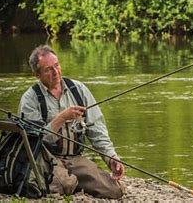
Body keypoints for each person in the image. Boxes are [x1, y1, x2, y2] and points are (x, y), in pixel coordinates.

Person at [18, 45, 124, 198]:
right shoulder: (30, 99)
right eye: (48, 69)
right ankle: (66, 181)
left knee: (114, 190)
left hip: (75, 158)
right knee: (63, 185)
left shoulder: (79, 89)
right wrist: (61, 118)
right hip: (46, 159)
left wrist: (111, 158)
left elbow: (97, 130)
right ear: (37, 75)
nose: (56, 72)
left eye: (57, 65)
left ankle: (71, 179)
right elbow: (34, 141)